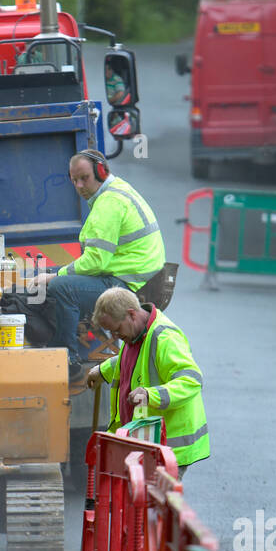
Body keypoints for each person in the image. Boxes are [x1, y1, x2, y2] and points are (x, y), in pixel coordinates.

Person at [32, 151, 166, 382]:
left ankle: (68, 361)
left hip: (128, 285)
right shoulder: (116, 192)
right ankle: (59, 343)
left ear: (101, 172)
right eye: (74, 180)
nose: (80, 185)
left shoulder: (109, 204)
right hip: (134, 277)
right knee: (53, 278)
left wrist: (56, 275)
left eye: (84, 178)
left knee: (62, 287)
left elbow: (96, 261)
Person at [85, 286, 209, 472]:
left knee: (152, 500)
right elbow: (134, 361)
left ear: (131, 314)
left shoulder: (165, 338)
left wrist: (151, 396)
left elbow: (191, 380)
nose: (115, 337)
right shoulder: (136, 335)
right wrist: (102, 370)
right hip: (147, 445)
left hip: (168, 448)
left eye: (117, 330)